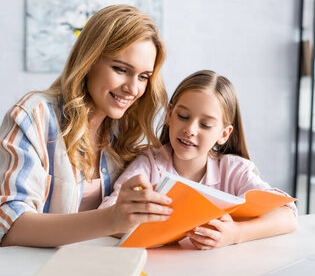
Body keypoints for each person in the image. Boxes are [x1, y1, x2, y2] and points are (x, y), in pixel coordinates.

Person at [0, 5, 174, 251]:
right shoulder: (34, 115)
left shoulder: (123, 130)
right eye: (121, 69)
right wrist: (112, 219)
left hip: (62, 270)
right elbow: (11, 228)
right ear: (89, 60)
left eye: (143, 77)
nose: (133, 88)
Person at [100, 70, 297, 250]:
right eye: (183, 116)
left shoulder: (234, 170)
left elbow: (288, 215)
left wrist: (236, 233)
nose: (190, 130)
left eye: (205, 124)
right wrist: (166, 229)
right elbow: (108, 214)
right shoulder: (150, 164)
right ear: (169, 115)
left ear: (224, 133)